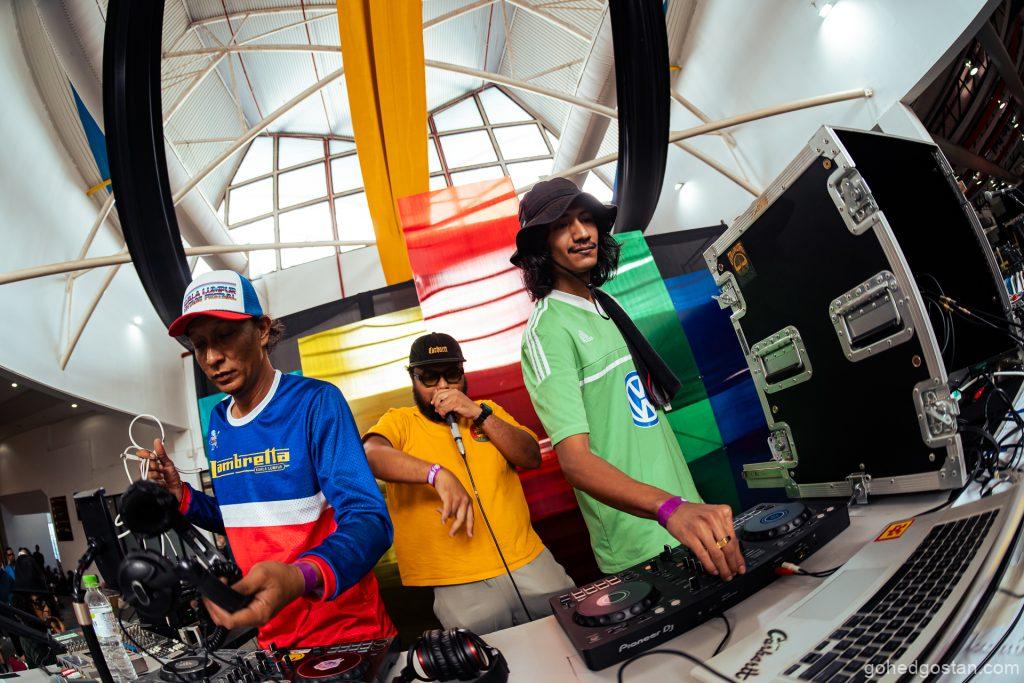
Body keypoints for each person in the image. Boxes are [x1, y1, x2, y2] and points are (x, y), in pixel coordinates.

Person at [142, 270, 395, 648]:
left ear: (261, 330)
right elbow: (243, 520)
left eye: (225, 336)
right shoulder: (218, 421)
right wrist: (182, 496)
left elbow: (370, 519)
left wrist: (300, 576)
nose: (212, 358)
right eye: (200, 344)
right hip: (274, 639)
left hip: (347, 632)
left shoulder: (315, 402)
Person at [511, 177, 746, 579]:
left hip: (689, 516)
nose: (582, 233)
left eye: (586, 219)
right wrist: (669, 508)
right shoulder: (547, 330)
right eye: (562, 225)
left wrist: (684, 505)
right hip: (642, 541)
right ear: (540, 247)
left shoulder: (606, 305)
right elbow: (576, 463)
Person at [363, 333, 575, 633]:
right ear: (413, 378)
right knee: (488, 656)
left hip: (528, 560)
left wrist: (478, 413)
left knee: (573, 634)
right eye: (429, 377)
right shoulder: (401, 422)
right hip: (458, 580)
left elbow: (530, 456)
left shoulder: (487, 410)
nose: (443, 386)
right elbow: (371, 456)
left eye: (452, 374)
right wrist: (437, 474)